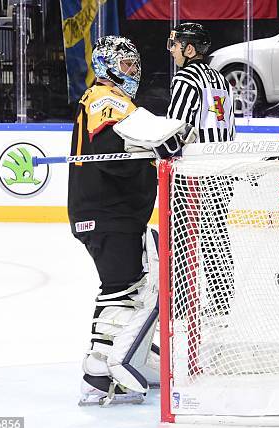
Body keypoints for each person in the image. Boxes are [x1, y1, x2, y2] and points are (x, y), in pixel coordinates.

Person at [69, 35, 188, 406]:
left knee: (127, 284)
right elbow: (113, 144)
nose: (132, 71)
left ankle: (112, 357)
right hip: (107, 214)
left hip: (116, 214)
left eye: (134, 65)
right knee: (121, 286)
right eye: (125, 65)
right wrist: (156, 141)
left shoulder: (120, 102)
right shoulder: (105, 96)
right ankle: (101, 366)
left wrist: (155, 142)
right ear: (106, 66)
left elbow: (135, 136)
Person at [166, 22, 236, 321]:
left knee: (183, 235)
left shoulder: (186, 77)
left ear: (189, 48)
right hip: (222, 169)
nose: (172, 51)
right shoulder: (220, 77)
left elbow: (174, 128)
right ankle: (222, 300)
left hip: (194, 172)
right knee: (216, 234)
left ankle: (182, 303)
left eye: (175, 44)